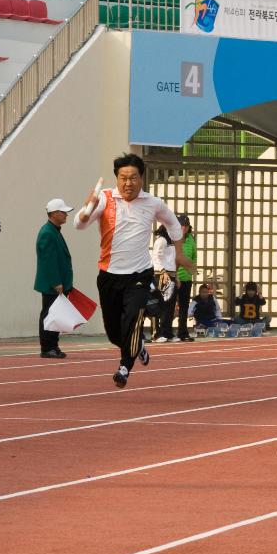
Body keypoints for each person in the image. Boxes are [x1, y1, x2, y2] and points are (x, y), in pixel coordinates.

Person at [75, 153, 194, 388]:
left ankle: (123, 368)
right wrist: (85, 210)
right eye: (123, 178)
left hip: (139, 275)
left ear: (141, 178)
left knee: (132, 319)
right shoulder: (105, 199)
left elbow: (172, 223)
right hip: (109, 275)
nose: (128, 183)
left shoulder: (153, 203)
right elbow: (79, 225)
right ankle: (137, 345)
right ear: (117, 179)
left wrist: (179, 252)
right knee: (113, 332)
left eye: (133, 178)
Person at [35, 199, 74, 359]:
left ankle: (53, 345)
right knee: (50, 315)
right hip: (53, 284)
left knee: (55, 315)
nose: (65, 215)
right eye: (63, 212)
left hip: (57, 284)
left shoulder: (53, 230)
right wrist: (56, 282)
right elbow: (48, 261)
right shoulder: (48, 232)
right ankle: (48, 347)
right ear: (54, 213)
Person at [150, 225, 178, 343]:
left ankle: (167, 332)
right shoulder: (161, 240)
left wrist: (175, 276)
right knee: (160, 305)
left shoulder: (171, 241)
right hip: (162, 275)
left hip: (171, 275)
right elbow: (156, 257)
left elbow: (171, 260)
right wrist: (163, 272)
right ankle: (156, 334)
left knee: (170, 306)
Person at [173, 215, 197, 343]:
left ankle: (182, 331)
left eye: (186, 226)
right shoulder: (173, 238)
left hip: (186, 278)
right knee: (169, 306)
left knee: (183, 307)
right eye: (182, 225)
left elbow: (194, 256)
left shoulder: (190, 239)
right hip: (174, 277)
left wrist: (191, 271)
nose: (184, 228)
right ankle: (164, 331)